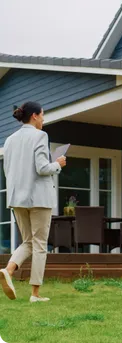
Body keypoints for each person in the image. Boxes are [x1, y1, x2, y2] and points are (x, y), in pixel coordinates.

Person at [0, 102, 66, 303]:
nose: (44, 119)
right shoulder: (40, 136)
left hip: (16, 198)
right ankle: (35, 294)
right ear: (35, 116)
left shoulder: (10, 140)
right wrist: (58, 164)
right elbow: (41, 168)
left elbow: (7, 171)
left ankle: (8, 270)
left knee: (28, 241)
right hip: (38, 198)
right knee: (39, 244)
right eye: (43, 115)